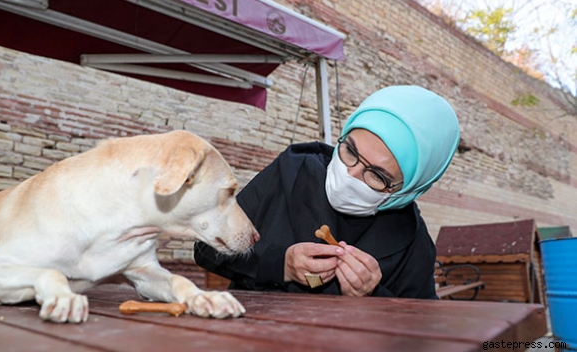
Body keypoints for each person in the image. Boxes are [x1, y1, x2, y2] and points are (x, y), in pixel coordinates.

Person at [194, 85, 460, 299]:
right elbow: (206, 248)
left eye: (378, 176)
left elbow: (420, 331)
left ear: (408, 190)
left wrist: (375, 295)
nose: (350, 174)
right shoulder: (291, 172)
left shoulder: (412, 240)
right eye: (351, 151)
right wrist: (281, 264)